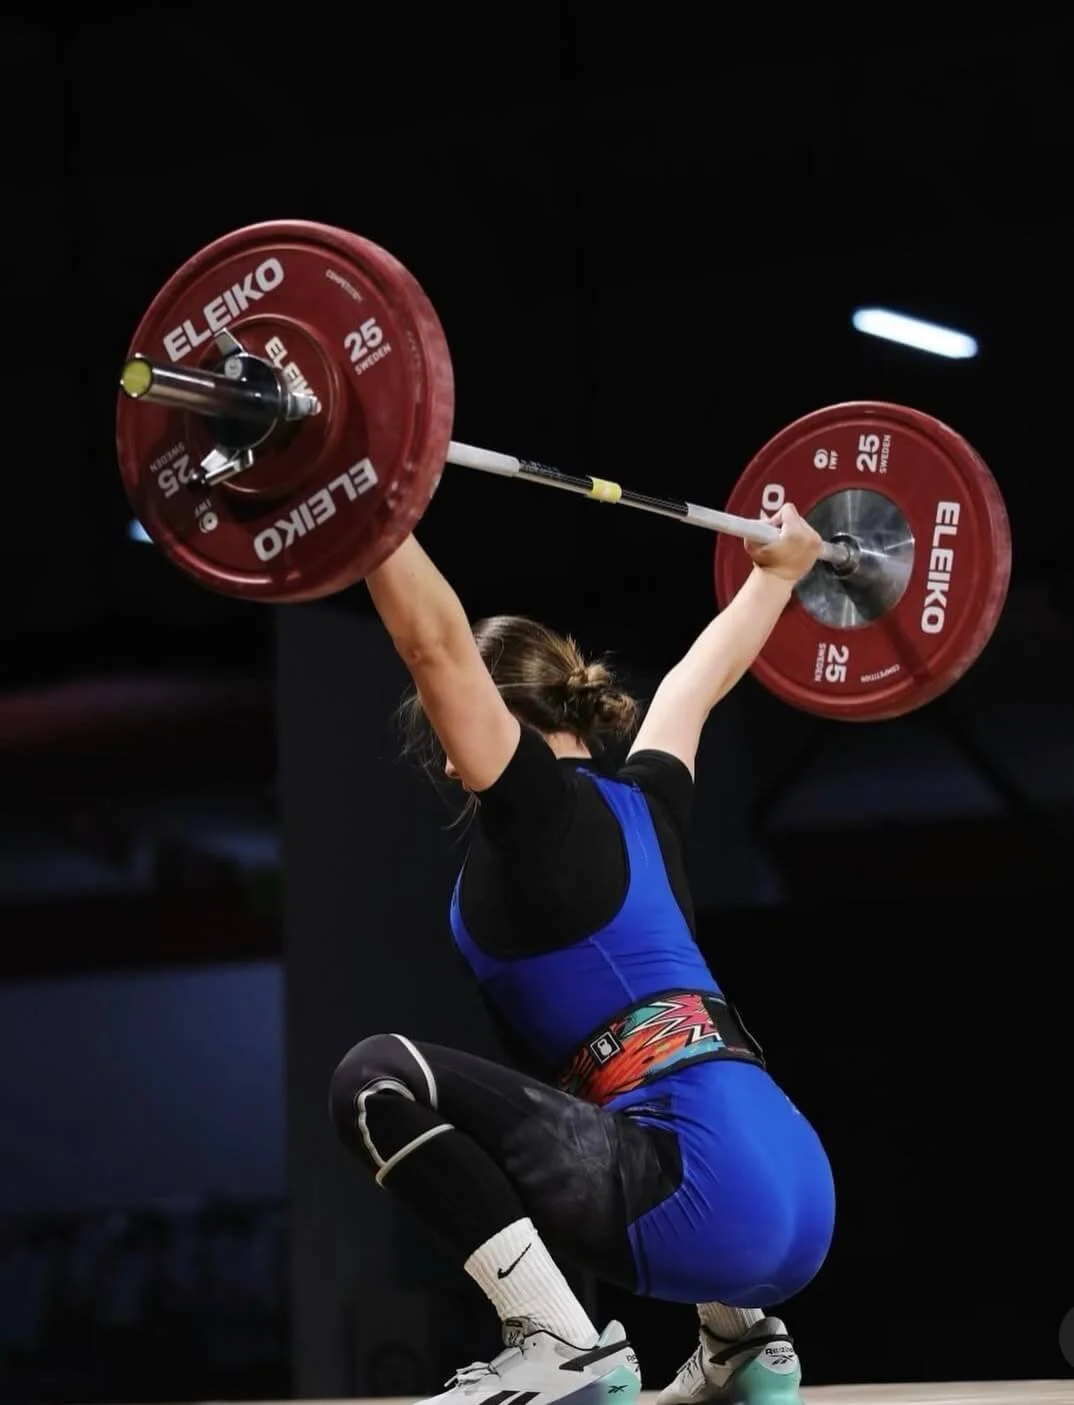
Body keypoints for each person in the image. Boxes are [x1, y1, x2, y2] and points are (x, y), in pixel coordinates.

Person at [330, 502, 836, 1405]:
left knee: (375, 1080)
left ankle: (555, 1339)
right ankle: (744, 1342)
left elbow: (434, 643)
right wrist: (780, 573)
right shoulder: (649, 796)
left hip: (709, 1202)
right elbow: (695, 681)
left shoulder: (536, 812)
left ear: (491, 719)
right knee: (656, 1086)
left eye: (450, 731)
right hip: (798, 1182)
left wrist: (366, 507)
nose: (451, 761)